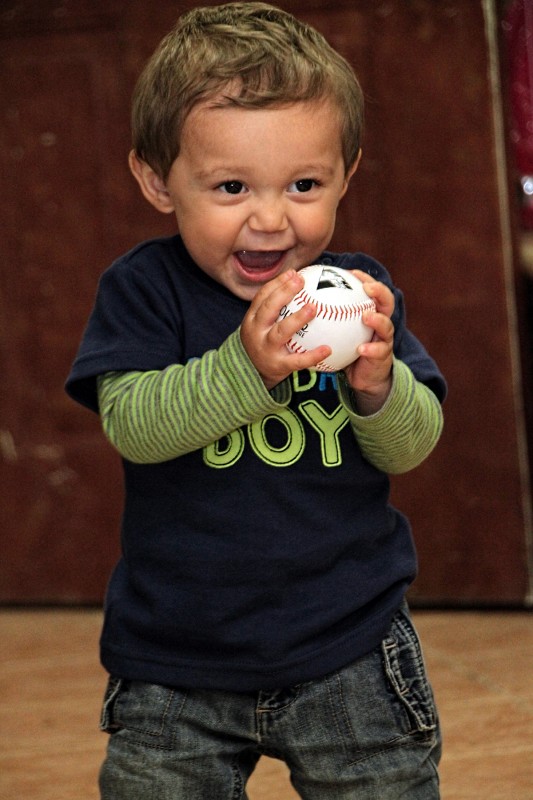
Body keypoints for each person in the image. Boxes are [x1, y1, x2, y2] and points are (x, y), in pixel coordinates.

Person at [66, 3, 446, 797]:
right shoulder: (142, 292)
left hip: (349, 640)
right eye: (231, 186)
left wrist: (378, 387)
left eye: (304, 184)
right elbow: (133, 424)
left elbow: (410, 446)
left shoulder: (359, 295)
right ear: (156, 179)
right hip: (176, 655)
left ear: (347, 171)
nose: (271, 218)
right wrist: (245, 367)